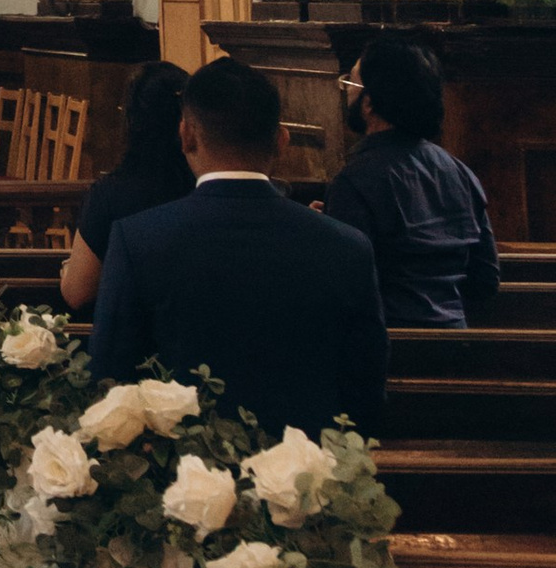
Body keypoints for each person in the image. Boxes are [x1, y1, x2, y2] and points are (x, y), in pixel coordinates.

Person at [90, 53, 387, 437]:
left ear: (186, 136)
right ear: (281, 141)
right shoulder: (348, 247)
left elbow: (110, 381)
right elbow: (365, 391)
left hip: (184, 462)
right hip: (312, 464)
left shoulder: (137, 240)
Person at [328, 35, 498, 326]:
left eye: (351, 84)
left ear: (369, 104)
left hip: (391, 341)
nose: (346, 93)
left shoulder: (355, 180)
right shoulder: (460, 172)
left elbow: (346, 284)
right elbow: (485, 280)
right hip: (457, 339)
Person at [59, 59, 193, 313]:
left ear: (130, 121)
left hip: (130, 331)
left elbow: (78, 293)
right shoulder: (206, 189)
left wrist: (67, 269)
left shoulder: (110, 195)